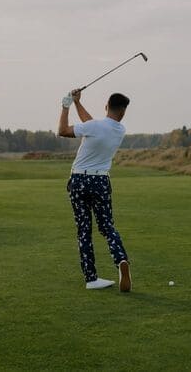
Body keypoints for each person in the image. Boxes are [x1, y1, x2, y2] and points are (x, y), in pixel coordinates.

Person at [58, 89, 132, 291]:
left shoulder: (94, 126)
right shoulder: (120, 130)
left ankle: (91, 279)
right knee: (107, 227)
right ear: (123, 112)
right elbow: (92, 124)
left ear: (106, 106)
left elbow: (63, 131)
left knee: (84, 230)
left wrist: (65, 106)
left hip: (79, 180)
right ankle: (121, 259)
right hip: (101, 181)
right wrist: (77, 103)